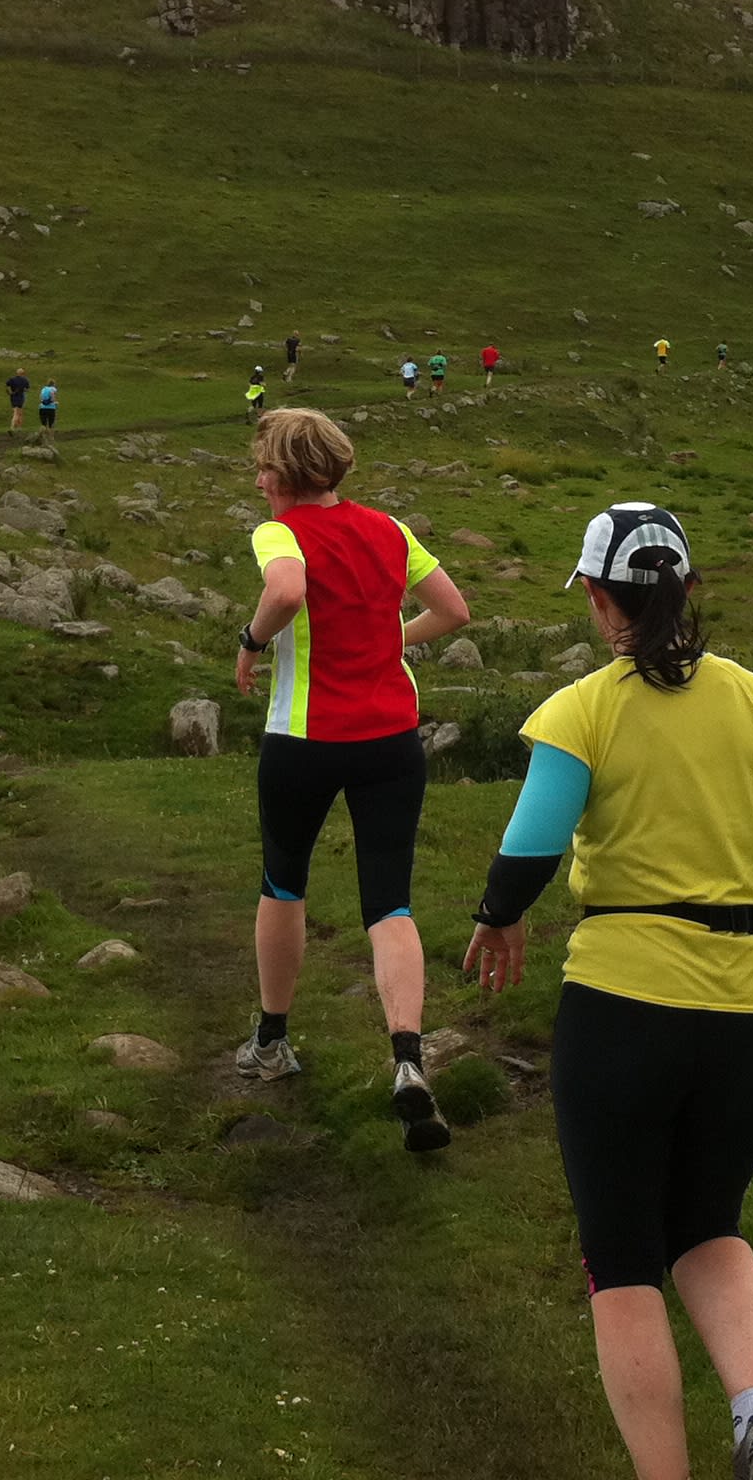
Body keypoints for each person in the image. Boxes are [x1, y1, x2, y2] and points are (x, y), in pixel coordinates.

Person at [464, 502, 753, 1480]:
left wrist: (499, 915)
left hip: (622, 1010)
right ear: (688, 590)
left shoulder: (581, 711)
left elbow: (530, 850)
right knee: (710, 1223)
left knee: (622, 1258)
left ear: (602, 602)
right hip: (750, 1015)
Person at [231, 408, 473, 1151]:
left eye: (263, 469)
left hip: (304, 740)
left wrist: (250, 642)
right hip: (391, 739)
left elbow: (286, 593)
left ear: (283, 474)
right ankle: (408, 1059)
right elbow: (454, 610)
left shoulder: (279, 533)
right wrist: (389, 639)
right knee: (389, 902)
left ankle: (272, 1042)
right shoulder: (390, 529)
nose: (259, 482)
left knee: (283, 883)